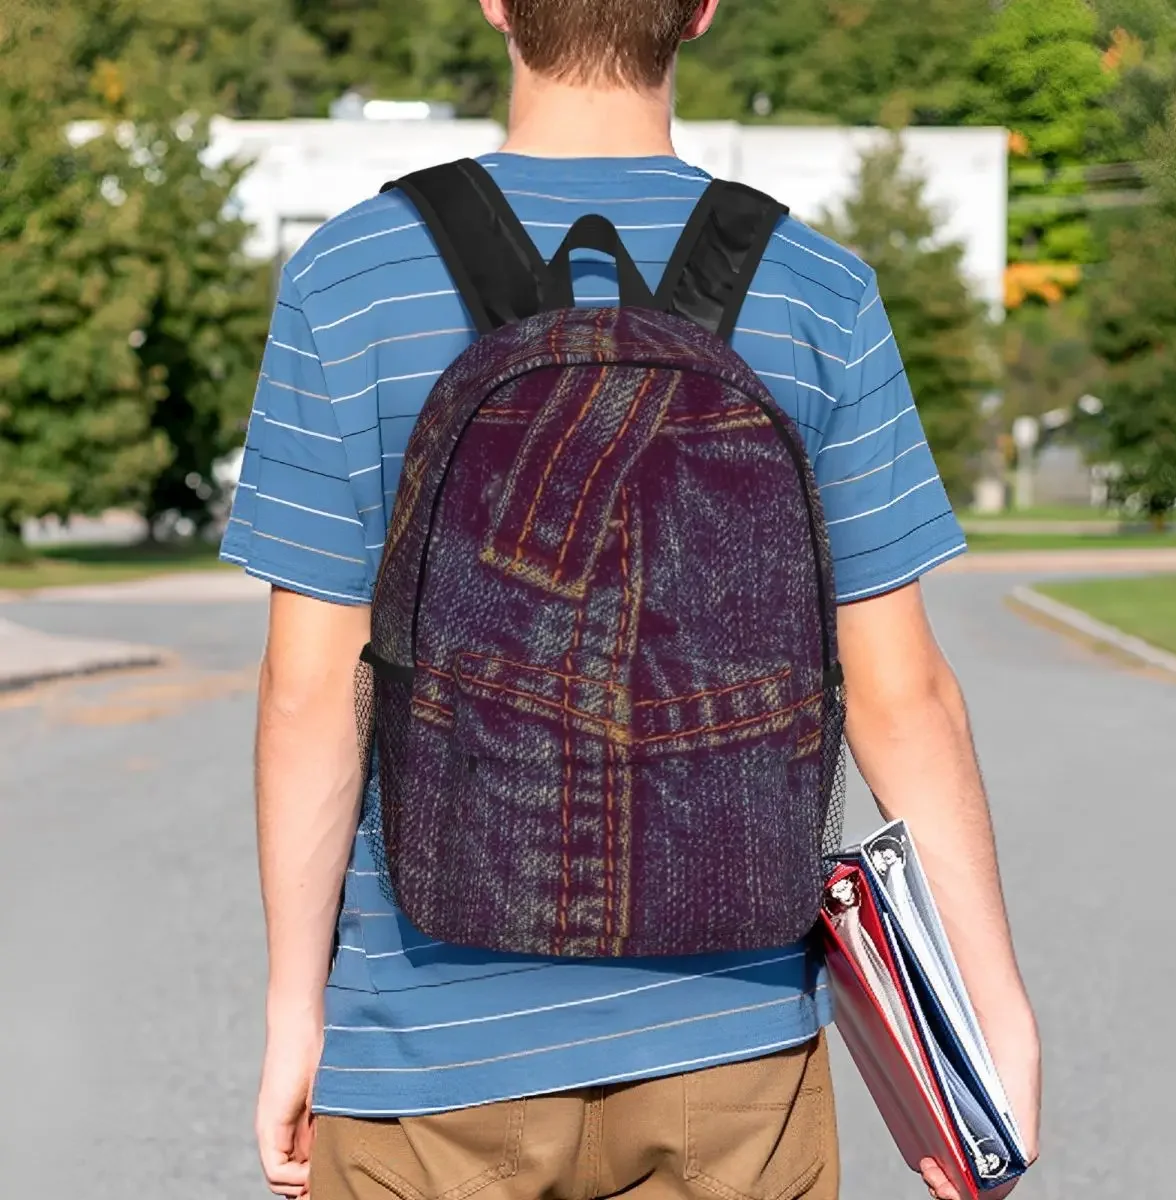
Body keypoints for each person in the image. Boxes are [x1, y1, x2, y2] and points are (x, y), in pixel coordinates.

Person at [221, 3, 1041, 1198]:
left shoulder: (351, 281)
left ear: (497, 3)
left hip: (428, 1047)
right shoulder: (818, 290)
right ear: (701, 9)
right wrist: (987, 1012)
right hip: (734, 1045)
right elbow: (901, 694)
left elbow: (309, 692)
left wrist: (298, 1011)